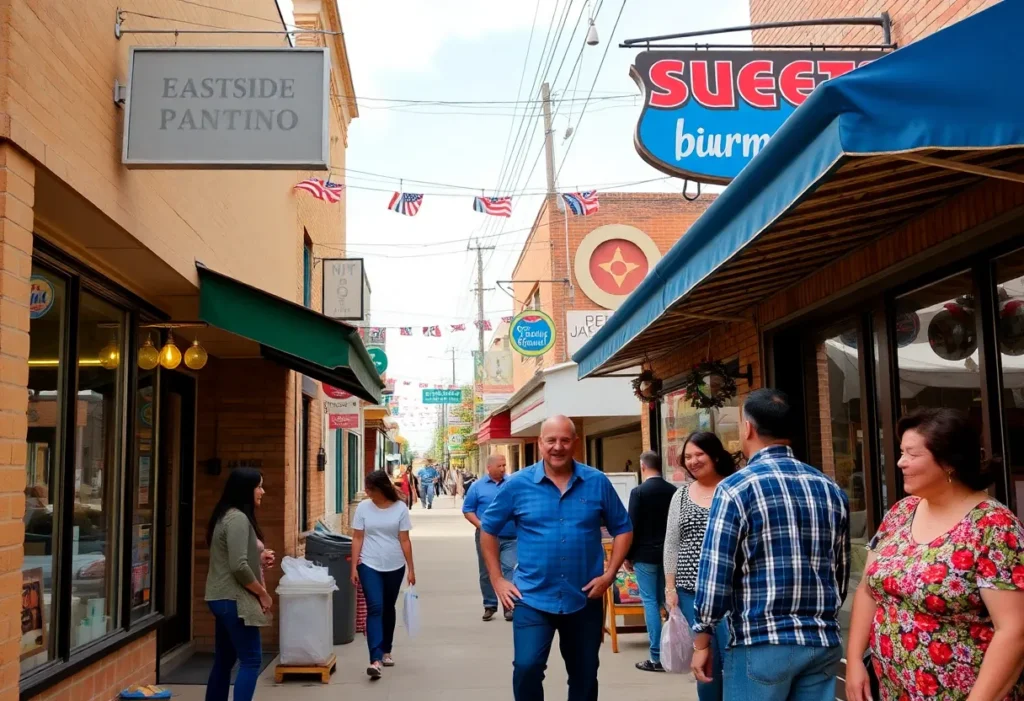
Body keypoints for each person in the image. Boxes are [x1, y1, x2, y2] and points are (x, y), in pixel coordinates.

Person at [845, 408, 1024, 701]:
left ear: (949, 461)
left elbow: (1014, 631)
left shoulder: (993, 526)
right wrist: (853, 662)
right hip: (893, 688)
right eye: (901, 452)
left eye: (912, 454)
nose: (901, 462)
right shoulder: (900, 512)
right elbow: (867, 589)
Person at [692, 388, 850, 701]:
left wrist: (702, 639)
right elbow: (840, 575)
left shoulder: (735, 489)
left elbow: (715, 575)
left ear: (747, 428)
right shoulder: (830, 488)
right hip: (821, 640)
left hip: (760, 640)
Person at [480, 415, 633, 701]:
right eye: (551, 440)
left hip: (585, 596)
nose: (558, 447)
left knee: (585, 674)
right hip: (532, 596)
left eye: (565, 440)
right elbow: (488, 530)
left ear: (575, 443)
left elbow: (623, 527)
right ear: (540, 444)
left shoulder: (596, 482)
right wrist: (497, 579)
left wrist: (610, 574)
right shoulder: (517, 485)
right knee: (526, 667)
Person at [663, 432, 736, 699]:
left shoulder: (734, 488)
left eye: (699, 455)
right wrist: (670, 588)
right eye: (688, 457)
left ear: (715, 455)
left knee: (734, 663)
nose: (692, 461)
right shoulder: (680, 496)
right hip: (690, 593)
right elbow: (671, 543)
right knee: (705, 664)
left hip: (732, 594)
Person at [204, 468, 273, 701]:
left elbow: (230, 557)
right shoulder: (238, 518)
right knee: (252, 659)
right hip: (232, 600)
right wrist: (263, 593)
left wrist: (260, 558)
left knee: (224, 660)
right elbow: (238, 566)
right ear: (246, 490)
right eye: (259, 486)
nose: (262, 491)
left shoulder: (227, 515)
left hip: (220, 599)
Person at [351, 470, 416, 680]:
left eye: (370, 489)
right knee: (375, 607)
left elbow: (404, 539)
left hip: (395, 565)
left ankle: (386, 649)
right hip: (369, 564)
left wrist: (411, 568)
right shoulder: (363, 508)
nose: (367, 492)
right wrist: (354, 566)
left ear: (380, 489)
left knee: (388, 607)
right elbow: (358, 537)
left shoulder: (400, 508)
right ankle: (375, 659)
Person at [624, 451, 677, 672]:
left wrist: (628, 555)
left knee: (649, 602)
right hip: (668, 556)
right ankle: (677, 649)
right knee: (668, 601)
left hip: (644, 555)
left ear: (642, 466)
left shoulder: (639, 492)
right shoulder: (674, 491)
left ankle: (656, 656)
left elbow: (631, 525)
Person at [463, 454, 518, 621]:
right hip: (486, 537)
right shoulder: (477, 487)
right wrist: (482, 526)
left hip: (510, 536)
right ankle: (489, 604)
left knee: (510, 569)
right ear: (489, 468)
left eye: (504, 465)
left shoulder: (513, 484)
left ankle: (509, 606)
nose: (503, 469)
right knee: (486, 572)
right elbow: (468, 510)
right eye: (499, 466)